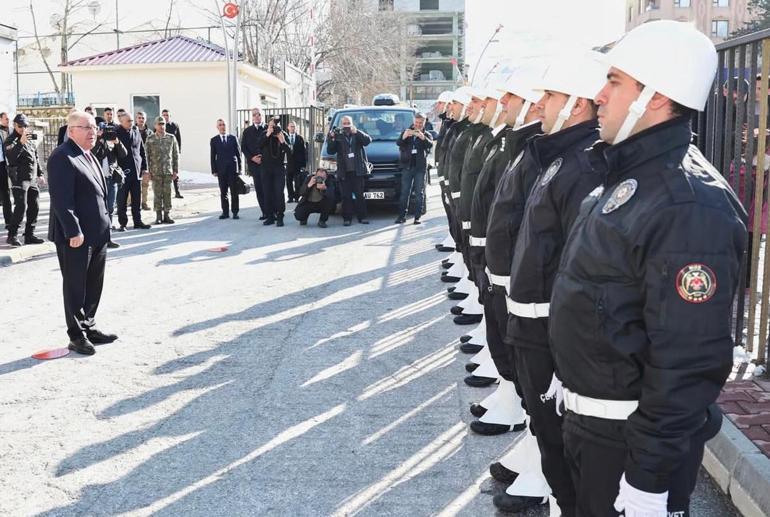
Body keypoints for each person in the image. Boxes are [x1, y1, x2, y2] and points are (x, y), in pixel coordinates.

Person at [548, 21, 747, 515]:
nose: (599, 96)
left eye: (614, 82)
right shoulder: (627, 177)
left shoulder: (689, 204)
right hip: (594, 428)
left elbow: (688, 359)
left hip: (629, 446)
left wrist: (647, 479)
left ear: (655, 97)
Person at [492, 52, 608, 516]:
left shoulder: (584, 165)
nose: (539, 104)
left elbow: (578, 267)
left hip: (549, 331)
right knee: (549, 439)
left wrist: (562, 348)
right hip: (531, 324)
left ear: (577, 104)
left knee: (564, 456)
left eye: (551, 96)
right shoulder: (558, 156)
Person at [47, 110, 117, 356]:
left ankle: (89, 326)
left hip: (97, 234)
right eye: (86, 128)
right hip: (76, 237)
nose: (93, 132)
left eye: (94, 128)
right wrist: (73, 230)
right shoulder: (62, 156)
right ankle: (76, 336)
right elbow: (61, 199)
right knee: (75, 286)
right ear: (71, 130)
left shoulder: (89, 155)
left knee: (93, 284)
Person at [4, 114, 45, 246]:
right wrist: (20, 143)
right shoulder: (10, 140)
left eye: (25, 126)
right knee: (21, 206)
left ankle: (29, 235)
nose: (23, 128)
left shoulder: (29, 138)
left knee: (35, 206)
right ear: (14, 125)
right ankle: (12, 235)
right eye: (20, 126)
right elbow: (11, 157)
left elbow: (35, 156)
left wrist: (40, 174)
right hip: (19, 178)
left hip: (31, 177)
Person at [326, 115, 372, 226]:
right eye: (344, 123)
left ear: (352, 123)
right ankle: (347, 219)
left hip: (357, 171)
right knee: (346, 196)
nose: (346, 125)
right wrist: (331, 138)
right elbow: (330, 151)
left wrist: (357, 132)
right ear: (341, 125)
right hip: (344, 172)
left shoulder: (357, 134)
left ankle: (362, 217)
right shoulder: (338, 135)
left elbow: (368, 141)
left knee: (359, 195)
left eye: (348, 123)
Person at [91, 121, 127, 249]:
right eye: (103, 130)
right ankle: (97, 238)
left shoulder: (113, 141)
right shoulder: (94, 141)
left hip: (111, 179)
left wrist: (117, 142)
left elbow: (124, 154)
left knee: (110, 208)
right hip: (98, 180)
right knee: (99, 209)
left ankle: (108, 238)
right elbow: (92, 154)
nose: (106, 133)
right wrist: (99, 140)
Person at [395, 113, 433, 225]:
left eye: (421, 123)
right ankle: (401, 216)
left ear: (424, 123)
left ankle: (417, 217)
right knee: (404, 193)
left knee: (419, 193)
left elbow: (430, 145)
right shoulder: (407, 131)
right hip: (407, 166)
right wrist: (404, 136)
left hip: (420, 168)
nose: (418, 125)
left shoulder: (427, 134)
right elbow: (398, 143)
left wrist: (422, 137)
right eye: (416, 122)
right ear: (413, 121)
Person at [115, 112, 151, 231]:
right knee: (122, 199)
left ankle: (137, 221)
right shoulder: (116, 133)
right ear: (121, 122)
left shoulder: (136, 131)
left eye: (131, 121)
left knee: (137, 198)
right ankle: (123, 223)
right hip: (123, 171)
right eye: (128, 121)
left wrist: (145, 167)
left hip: (136, 170)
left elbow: (141, 150)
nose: (131, 123)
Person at [256, 116, 291, 226]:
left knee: (279, 193)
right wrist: (268, 134)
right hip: (266, 168)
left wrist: (282, 141)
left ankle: (280, 216)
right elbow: (259, 145)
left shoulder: (283, 134)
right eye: (271, 125)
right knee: (267, 192)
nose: (273, 127)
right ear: (268, 125)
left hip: (279, 168)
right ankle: (270, 216)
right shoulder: (264, 134)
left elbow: (290, 151)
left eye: (275, 125)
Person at [145, 116, 179, 225]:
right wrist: (148, 171)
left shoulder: (171, 138)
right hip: (155, 172)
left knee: (168, 193)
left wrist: (175, 170)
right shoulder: (150, 139)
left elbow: (175, 155)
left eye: (163, 124)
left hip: (168, 171)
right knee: (157, 194)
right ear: (155, 125)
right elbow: (146, 156)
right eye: (159, 124)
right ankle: (158, 216)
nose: (161, 126)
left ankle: (167, 214)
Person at [210, 118, 242, 220]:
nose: (222, 127)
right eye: (220, 125)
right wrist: (214, 170)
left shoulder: (233, 138)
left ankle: (235, 212)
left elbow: (238, 154)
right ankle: (225, 212)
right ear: (217, 127)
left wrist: (240, 168)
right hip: (221, 170)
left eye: (223, 124)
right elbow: (212, 156)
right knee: (223, 192)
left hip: (232, 169)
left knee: (234, 192)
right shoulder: (214, 140)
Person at [241, 107, 268, 219]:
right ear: (251, 117)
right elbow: (244, 147)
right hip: (254, 165)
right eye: (254, 115)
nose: (256, 116)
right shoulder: (247, 131)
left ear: (262, 116)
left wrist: (263, 157)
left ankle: (273, 211)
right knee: (259, 189)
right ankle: (264, 212)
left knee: (268, 188)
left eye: (259, 114)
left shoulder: (268, 128)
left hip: (267, 164)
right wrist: (252, 158)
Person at [161, 109, 183, 199]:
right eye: (164, 115)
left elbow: (179, 139)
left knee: (175, 172)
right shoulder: (159, 126)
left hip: (173, 153)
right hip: (163, 153)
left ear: (170, 116)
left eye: (167, 115)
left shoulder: (175, 125)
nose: (165, 117)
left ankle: (177, 192)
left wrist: (179, 151)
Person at [135, 111, 153, 211]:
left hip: (146, 162)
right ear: (136, 119)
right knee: (134, 184)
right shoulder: (132, 130)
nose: (141, 119)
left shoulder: (150, 133)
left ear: (145, 119)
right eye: (139, 118)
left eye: (143, 118)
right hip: (135, 161)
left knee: (145, 184)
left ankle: (144, 203)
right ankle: (132, 202)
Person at [285, 121, 307, 203]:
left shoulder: (300, 138)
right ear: (288, 127)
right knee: (288, 181)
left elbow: (304, 152)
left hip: (298, 164)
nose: (292, 128)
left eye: (293, 126)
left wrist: (303, 165)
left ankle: (297, 197)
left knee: (297, 182)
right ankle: (290, 197)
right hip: (288, 164)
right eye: (291, 126)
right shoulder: (285, 138)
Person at [0, 112, 12, 229]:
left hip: (4, 164)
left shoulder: (8, 131)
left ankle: (9, 221)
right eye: (6, 119)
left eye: (8, 119)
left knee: (5, 192)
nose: (8, 120)